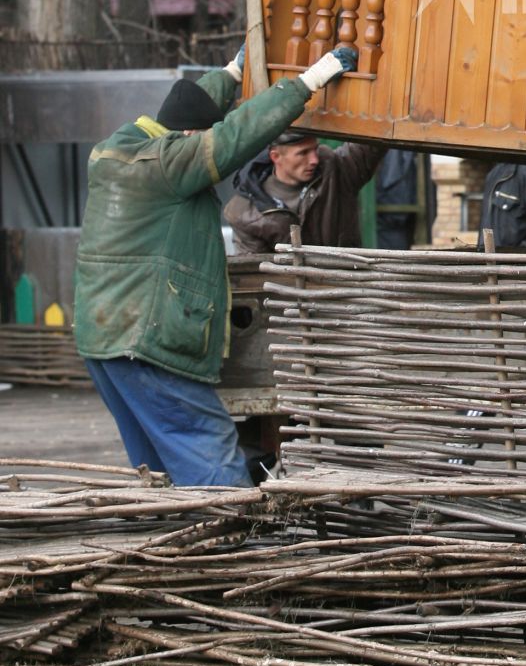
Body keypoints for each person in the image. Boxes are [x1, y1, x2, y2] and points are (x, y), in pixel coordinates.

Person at [74, 45, 359, 486]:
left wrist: (232, 72)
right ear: (189, 135)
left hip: (105, 334)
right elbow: (231, 138)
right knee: (207, 444)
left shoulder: (120, 147)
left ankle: (180, 537)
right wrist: (308, 82)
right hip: (146, 336)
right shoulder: (169, 163)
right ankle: (234, 535)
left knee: (159, 460)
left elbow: (185, 109)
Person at [224, 129, 386, 255]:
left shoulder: (335, 168)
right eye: (303, 153)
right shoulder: (246, 213)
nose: (314, 160)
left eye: (314, 150)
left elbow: (374, 140)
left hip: (345, 287)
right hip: (285, 295)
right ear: (276, 157)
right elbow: (257, 276)